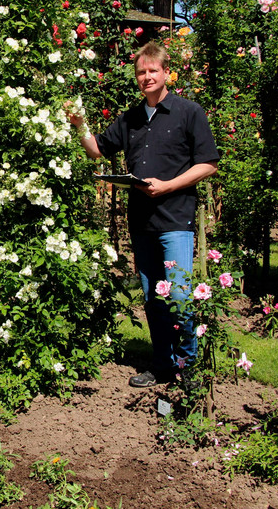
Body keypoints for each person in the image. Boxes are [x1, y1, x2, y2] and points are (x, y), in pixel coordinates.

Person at [67, 41, 219, 388]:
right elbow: (96, 152)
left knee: (179, 294)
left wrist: (168, 186)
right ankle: (163, 364)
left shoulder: (188, 112)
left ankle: (188, 367)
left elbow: (208, 163)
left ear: (167, 73)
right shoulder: (131, 118)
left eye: (153, 71)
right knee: (152, 297)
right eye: (141, 72)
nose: (146, 77)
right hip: (142, 222)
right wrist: (80, 124)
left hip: (175, 218)